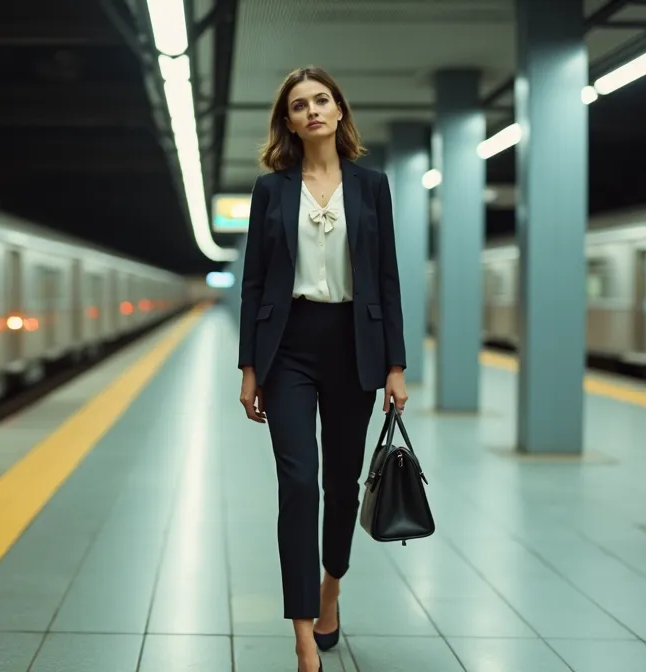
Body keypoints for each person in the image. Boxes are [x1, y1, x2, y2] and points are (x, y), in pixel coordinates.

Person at [236, 65, 408, 672]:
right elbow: (254, 283)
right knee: (299, 484)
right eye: (298, 105)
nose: (311, 110)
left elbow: (386, 278)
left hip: (353, 347)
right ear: (287, 122)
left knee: (341, 483)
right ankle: (304, 635)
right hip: (287, 348)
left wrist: (395, 364)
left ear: (339, 111)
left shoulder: (372, 186)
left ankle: (331, 585)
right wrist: (249, 367)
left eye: (321, 100)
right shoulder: (271, 190)